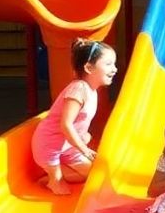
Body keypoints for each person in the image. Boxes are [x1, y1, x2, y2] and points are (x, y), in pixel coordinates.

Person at [31, 38, 116, 195]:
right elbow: (66, 124)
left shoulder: (92, 91)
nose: (115, 69)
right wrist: (83, 148)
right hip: (49, 146)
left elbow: (79, 123)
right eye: (109, 64)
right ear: (89, 67)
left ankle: (54, 175)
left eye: (114, 64)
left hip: (67, 146)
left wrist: (84, 137)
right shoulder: (78, 89)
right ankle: (53, 178)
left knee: (92, 173)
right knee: (62, 190)